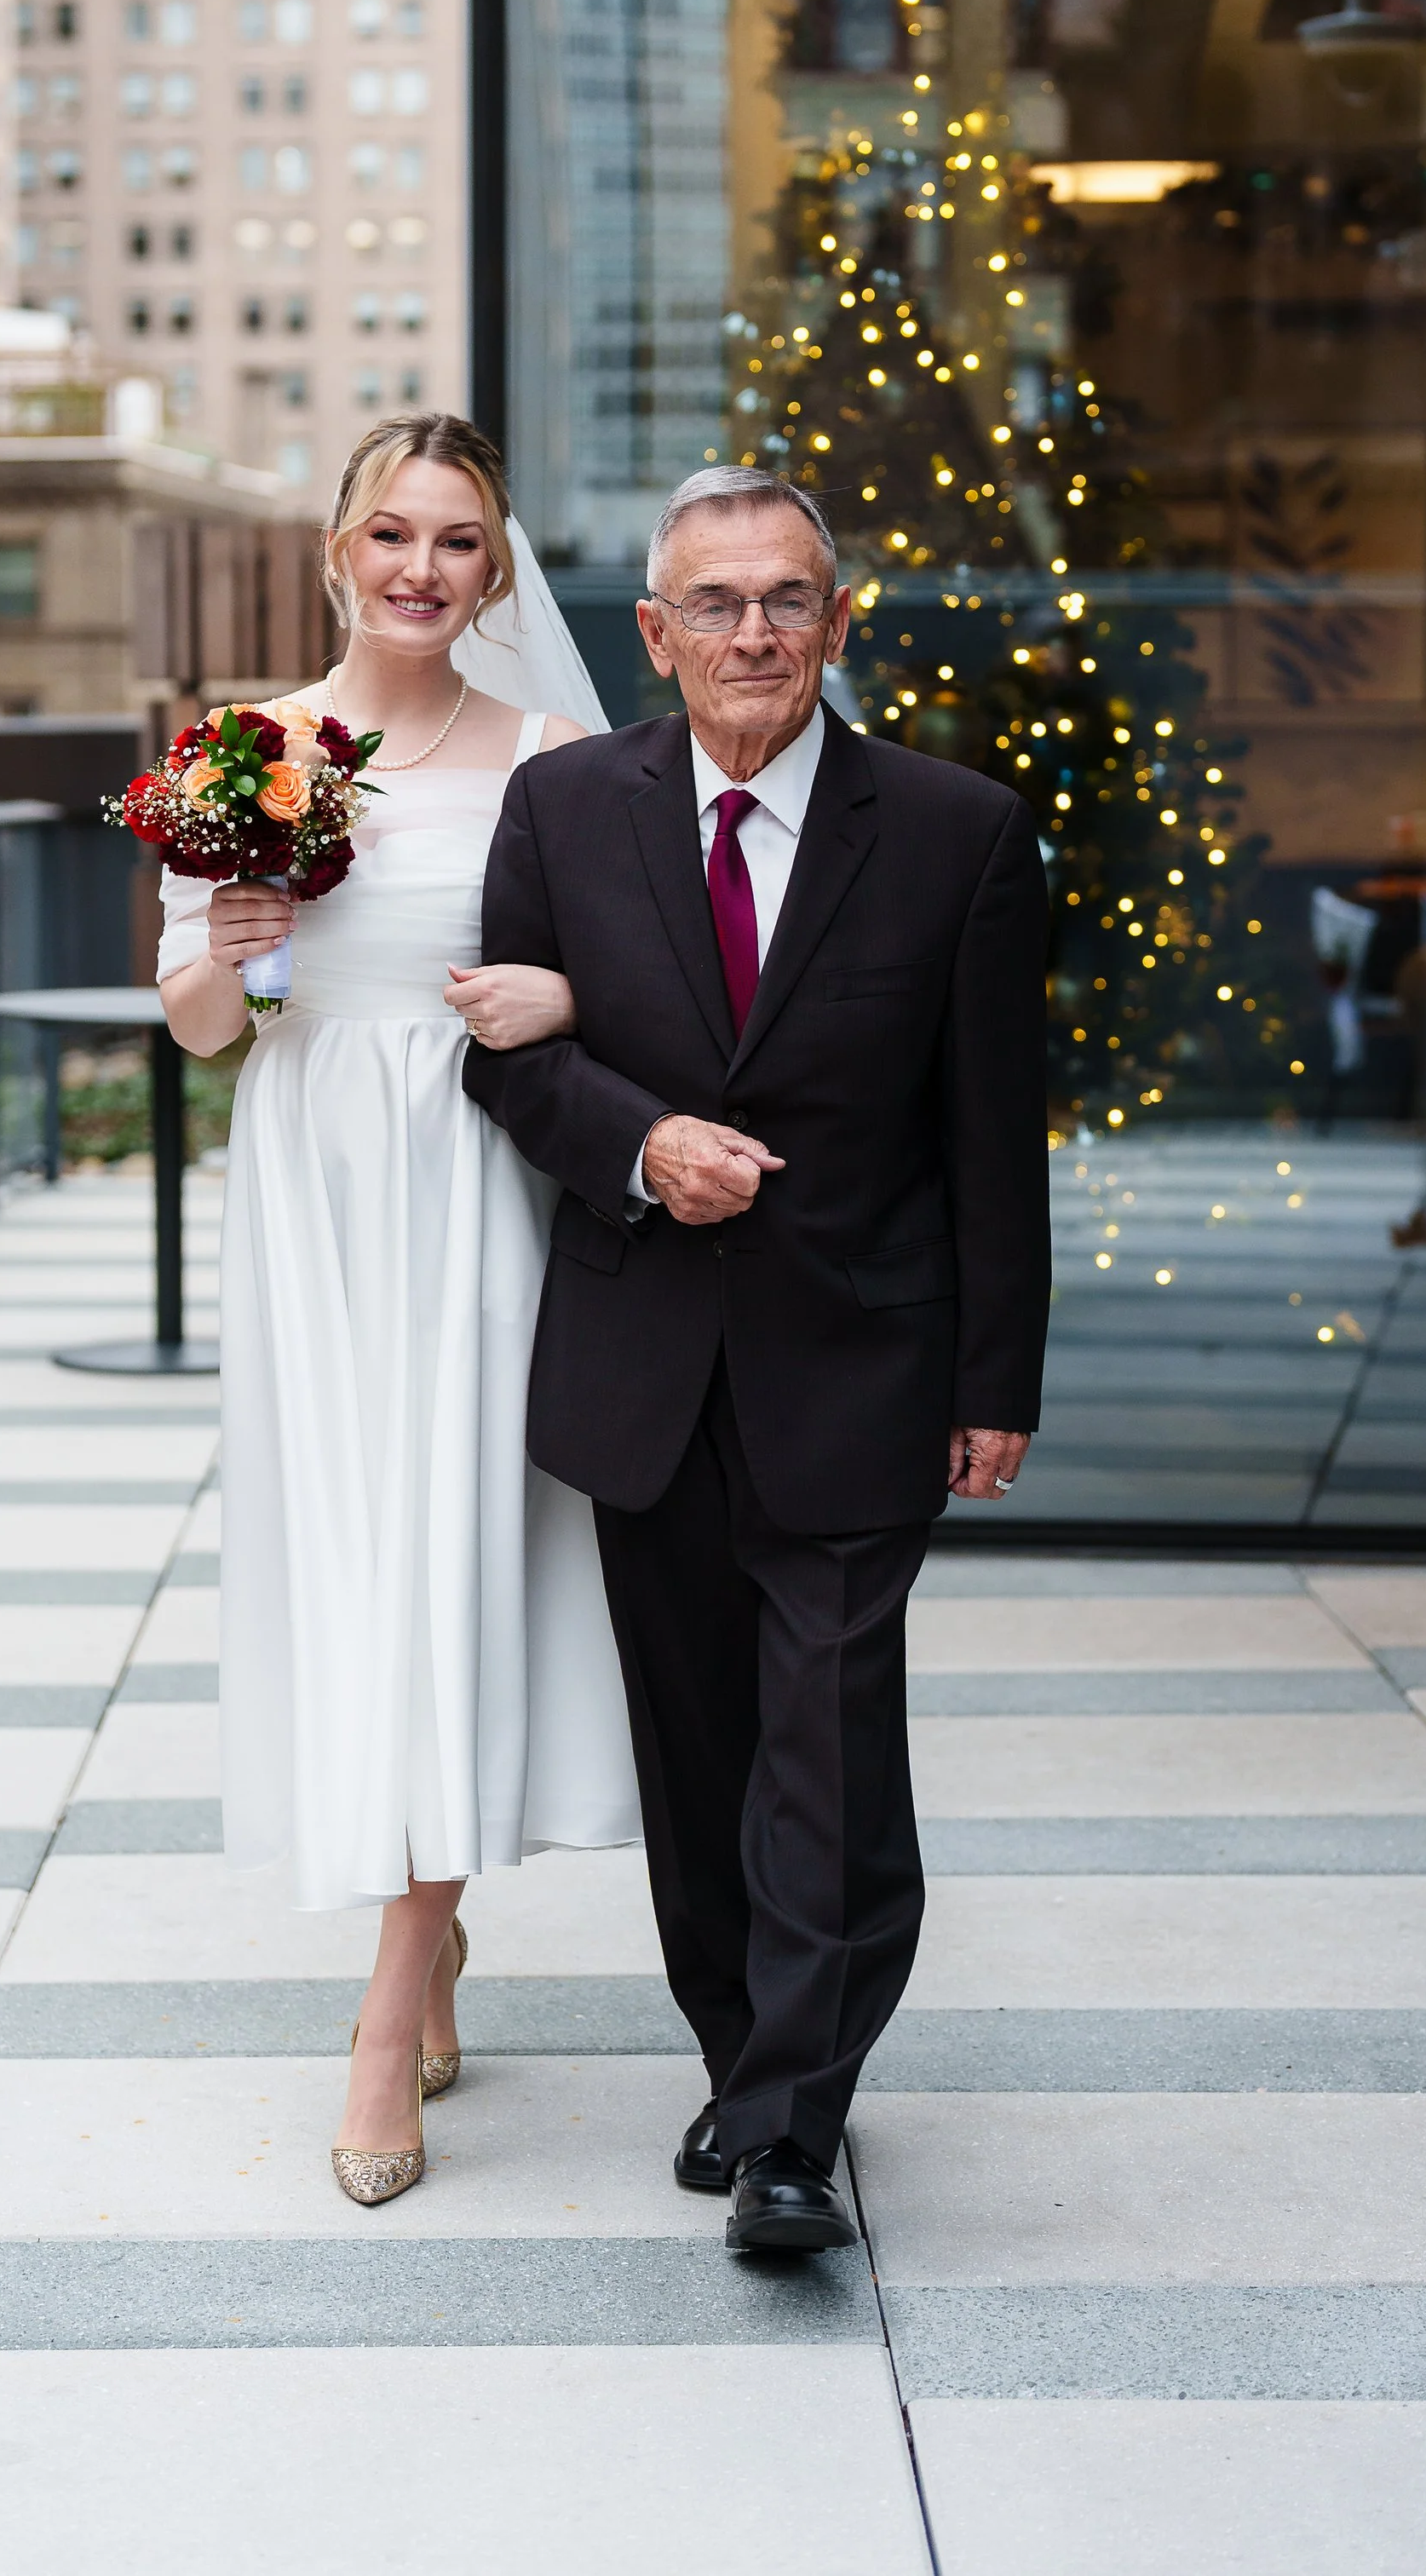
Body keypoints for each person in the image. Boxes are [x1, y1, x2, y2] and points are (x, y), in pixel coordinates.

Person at [463, 468, 1050, 2255]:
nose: (750, 633)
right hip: (647, 1374)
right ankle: (740, 2059)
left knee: (829, 1754)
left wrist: (993, 1380)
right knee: (701, 1756)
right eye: (711, 603)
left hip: (862, 1369)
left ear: (835, 622)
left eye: (785, 599)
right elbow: (501, 1054)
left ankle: (793, 2124)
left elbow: (991, 1133)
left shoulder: (954, 831)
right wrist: (641, 1143)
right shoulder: (560, 811)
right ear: (652, 633)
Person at [158, 412, 637, 2211]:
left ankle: (387, 1990)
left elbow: (647, 980)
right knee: (350, 1561)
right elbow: (214, 1028)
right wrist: (238, 934)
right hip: (316, 1196)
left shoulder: (557, 753)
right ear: (338, 552)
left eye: (456, 541)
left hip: (482, 1177)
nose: (420, 570)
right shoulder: (248, 750)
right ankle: (423, 1936)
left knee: (454, 1553)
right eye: (390, 536)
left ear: (494, 570)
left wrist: (557, 989)